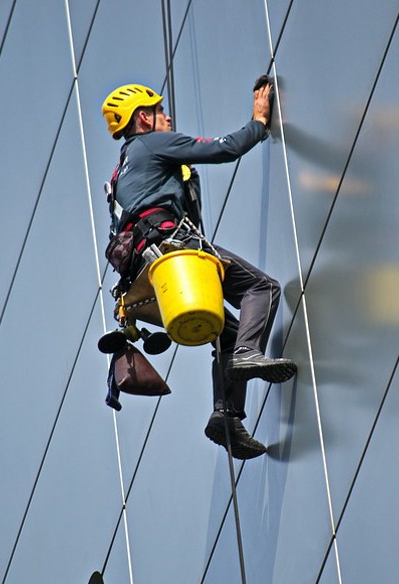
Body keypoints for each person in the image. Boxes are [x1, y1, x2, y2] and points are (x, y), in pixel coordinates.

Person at [101, 80, 296, 460]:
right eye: (159, 111)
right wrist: (259, 122)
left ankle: (226, 416)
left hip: (146, 277)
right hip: (173, 251)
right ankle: (248, 355)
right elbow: (224, 149)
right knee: (263, 288)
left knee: (229, 331)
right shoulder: (151, 144)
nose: (168, 116)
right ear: (143, 118)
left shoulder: (121, 171)